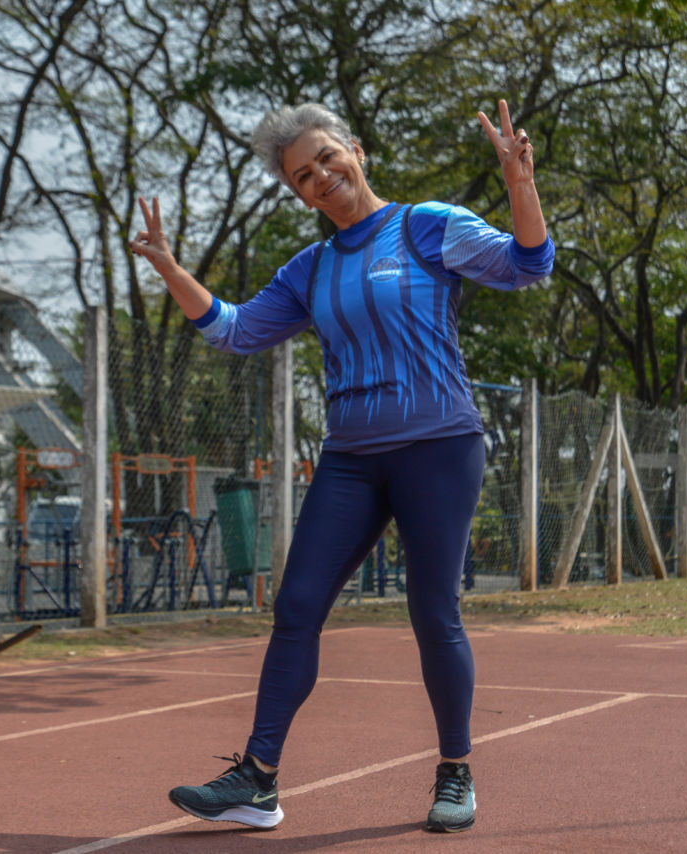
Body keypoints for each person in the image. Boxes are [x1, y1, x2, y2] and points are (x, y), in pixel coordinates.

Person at [129, 99, 552, 833]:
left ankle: (455, 772)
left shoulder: (427, 226)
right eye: (302, 176)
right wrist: (170, 267)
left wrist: (520, 184)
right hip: (352, 458)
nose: (320, 176)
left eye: (326, 157)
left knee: (432, 611)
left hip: (439, 447)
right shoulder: (310, 270)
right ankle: (256, 780)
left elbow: (528, 264)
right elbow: (233, 331)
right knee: (295, 609)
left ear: (356, 149)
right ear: (298, 194)